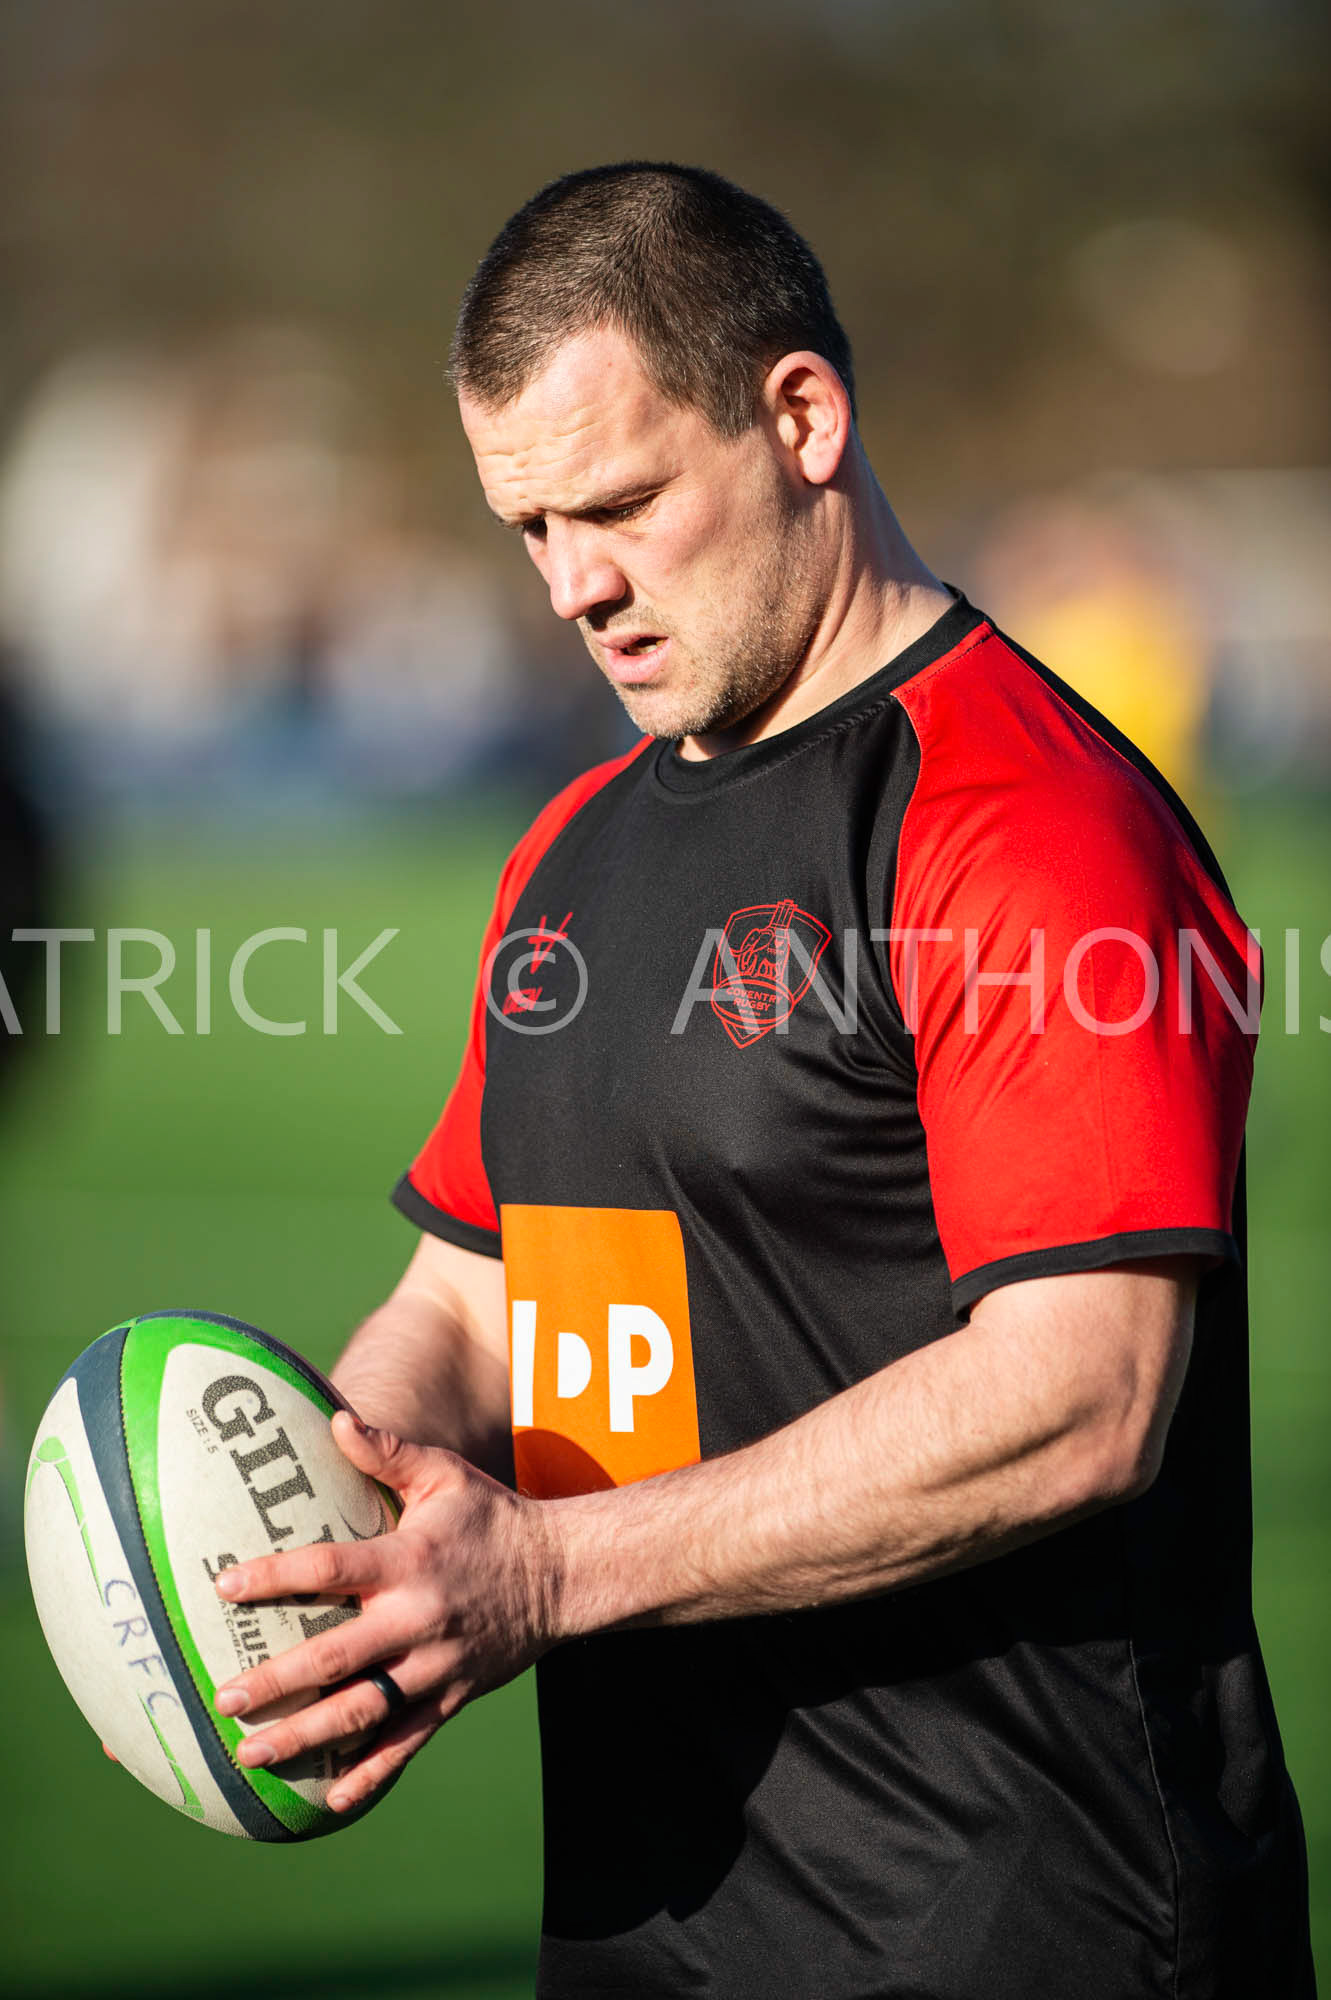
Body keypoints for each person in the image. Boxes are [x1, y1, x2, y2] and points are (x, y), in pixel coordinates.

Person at [210, 165, 1313, 1998]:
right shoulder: (568, 847)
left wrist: (553, 1578)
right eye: (531, 527)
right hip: (650, 1917)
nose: (575, 585)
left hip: (1015, 1927)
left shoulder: (1030, 829)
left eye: (623, 503)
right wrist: (317, 1554)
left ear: (801, 416)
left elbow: (1086, 1392)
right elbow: (469, 1299)